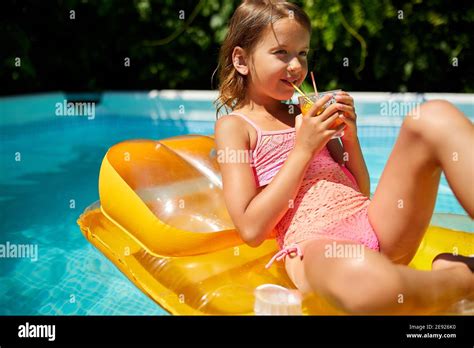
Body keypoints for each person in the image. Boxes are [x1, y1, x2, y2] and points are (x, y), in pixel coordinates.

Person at [213, 0, 473, 314]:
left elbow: (360, 191)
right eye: (281, 53)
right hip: (316, 245)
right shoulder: (236, 127)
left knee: (434, 116)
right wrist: (303, 149)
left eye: (303, 53)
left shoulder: (307, 114)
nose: (296, 66)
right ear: (241, 60)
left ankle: (449, 282)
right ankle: (460, 278)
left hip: (373, 222)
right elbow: (252, 229)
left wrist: (349, 137)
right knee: (369, 287)